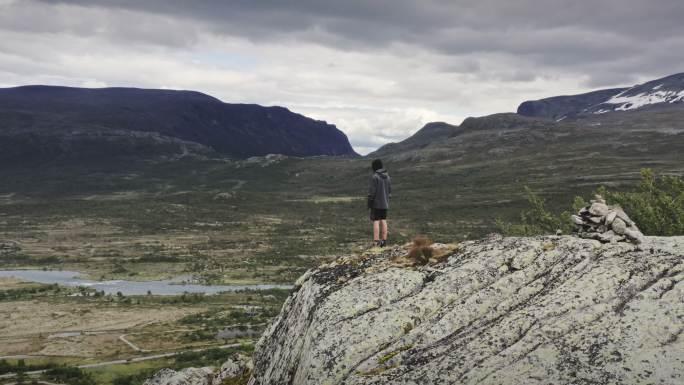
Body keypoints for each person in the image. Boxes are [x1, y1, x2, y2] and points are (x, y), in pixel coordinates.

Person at [368, 159, 391, 247]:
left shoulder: (375, 177)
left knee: (376, 221)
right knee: (384, 220)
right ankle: (384, 241)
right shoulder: (388, 177)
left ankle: (376, 242)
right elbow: (389, 191)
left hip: (376, 203)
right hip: (385, 203)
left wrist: (370, 202)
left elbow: (372, 192)